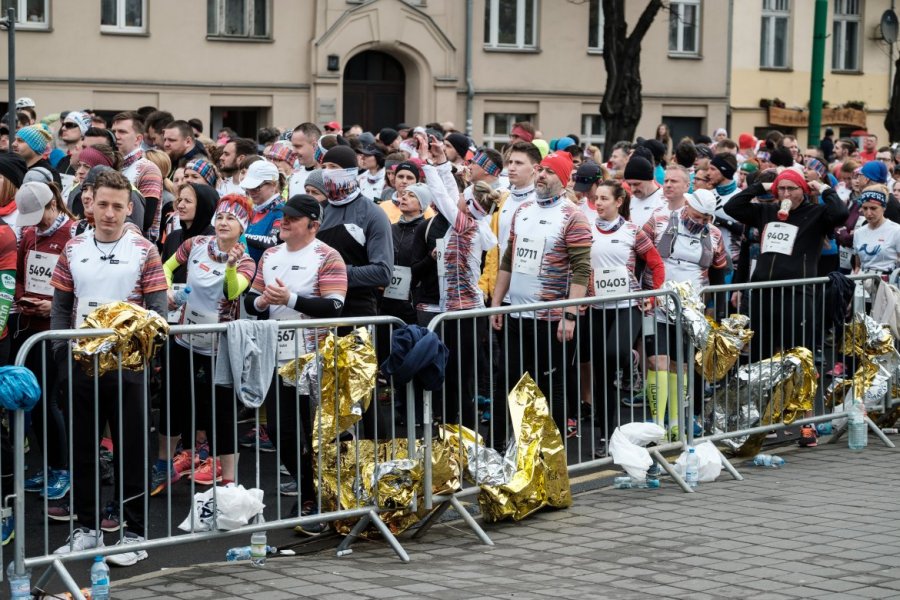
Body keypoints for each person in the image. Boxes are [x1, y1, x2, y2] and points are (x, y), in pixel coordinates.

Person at [50, 170, 167, 565]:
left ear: (129, 208)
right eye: (103, 204)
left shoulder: (144, 250)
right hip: (81, 364)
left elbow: (159, 310)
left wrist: (144, 358)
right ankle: (86, 528)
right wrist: (60, 355)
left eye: (118, 206)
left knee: (131, 451)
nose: (110, 213)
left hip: (127, 367)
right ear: (90, 203)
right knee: (82, 450)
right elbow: (61, 305)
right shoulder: (73, 247)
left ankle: (133, 534)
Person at [244, 194, 347, 528]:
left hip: (314, 358)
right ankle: (308, 490)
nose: (283, 222)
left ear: (313, 225)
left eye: (292, 218)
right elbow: (250, 300)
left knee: (316, 432)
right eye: (283, 217)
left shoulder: (327, 256)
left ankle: (320, 497)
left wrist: (290, 298)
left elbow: (334, 306)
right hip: (278, 357)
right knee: (280, 431)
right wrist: (261, 301)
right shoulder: (271, 254)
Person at [153, 195, 257, 494]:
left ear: (242, 227)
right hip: (185, 336)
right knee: (174, 402)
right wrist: (167, 294)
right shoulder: (196, 244)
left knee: (221, 411)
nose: (224, 223)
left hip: (219, 346)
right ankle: (163, 467)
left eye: (232, 219)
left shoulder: (246, 261)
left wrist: (231, 266)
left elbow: (232, 291)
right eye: (221, 217)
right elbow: (166, 267)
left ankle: (228, 481)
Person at [490, 152, 592, 438]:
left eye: (549, 171)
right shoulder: (522, 210)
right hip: (515, 314)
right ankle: (499, 446)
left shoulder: (573, 216)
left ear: (563, 179)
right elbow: (509, 260)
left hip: (550, 318)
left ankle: (554, 452)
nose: (542, 174)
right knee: (506, 382)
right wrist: (497, 304)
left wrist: (569, 315)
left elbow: (582, 270)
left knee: (550, 386)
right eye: (540, 169)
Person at [725, 168, 849, 361]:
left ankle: (796, 389)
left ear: (803, 190)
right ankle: (765, 389)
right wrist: (760, 187)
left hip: (797, 293)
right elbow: (731, 207)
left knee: (795, 351)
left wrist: (824, 189)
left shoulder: (816, 213)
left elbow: (841, 214)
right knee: (761, 351)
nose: (786, 194)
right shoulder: (766, 211)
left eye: (792, 189)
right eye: (781, 189)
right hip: (763, 291)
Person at [641, 189, 728, 438]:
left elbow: (719, 273)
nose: (701, 223)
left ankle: (677, 421)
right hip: (656, 305)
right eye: (698, 216)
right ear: (687, 204)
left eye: (706, 219)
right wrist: (641, 292)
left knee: (680, 366)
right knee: (657, 361)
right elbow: (639, 255)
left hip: (690, 312)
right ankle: (657, 424)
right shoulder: (659, 221)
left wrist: (717, 311)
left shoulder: (713, 234)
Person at [583, 180, 664, 445]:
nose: (599, 203)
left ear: (619, 202)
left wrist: (653, 294)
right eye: (597, 198)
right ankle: (606, 434)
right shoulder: (585, 230)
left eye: (605, 198)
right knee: (601, 373)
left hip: (627, 306)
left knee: (613, 353)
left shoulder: (632, 231)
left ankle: (630, 357)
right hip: (596, 308)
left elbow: (656, 263)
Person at [14, 182, 77, 501]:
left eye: (39, 216)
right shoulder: (28, 234)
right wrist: (23, 296)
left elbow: (80, 283)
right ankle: (52, 466)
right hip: (29, 326)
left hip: (57, 329)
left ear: (54, 204)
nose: (36, 224)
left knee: (50, 400)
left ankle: (63, 469)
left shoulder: (73, 233)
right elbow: (21, 273)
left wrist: (54, 305)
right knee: (34, 400)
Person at [111, 111, 164, 241]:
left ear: (138, 139)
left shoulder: (148, 169)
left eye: (122, 132)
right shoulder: (112, 166)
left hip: (137, 247)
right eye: (114, 132)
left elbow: (145, 221)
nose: (116, 136)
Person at [240, 160, 284, 263]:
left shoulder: (282, 211)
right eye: (249, 187)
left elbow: (272, 241)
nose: (251, 192)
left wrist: (239, 235)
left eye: (257, 188)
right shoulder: (255, 209)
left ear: (273, 184)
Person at [852, 185, 900, 275]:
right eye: (865, 208)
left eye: (873, 208)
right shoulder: (859, 232)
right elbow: (857, 266)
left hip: (888, 284)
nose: (868, 213)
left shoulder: (896, 230)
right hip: (862, 285)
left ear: (884, 207)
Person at [622, 156, 665, 228]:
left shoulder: (665, 201)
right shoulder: (628, 201)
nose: (632, 189)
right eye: (629, 184)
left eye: (636, 184)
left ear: (649, 179)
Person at [288, 123, 322, 196]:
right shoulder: (293, 175)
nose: (293, 151)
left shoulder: (326, 177)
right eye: (293, 146)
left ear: (314, 145)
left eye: (298, 146)